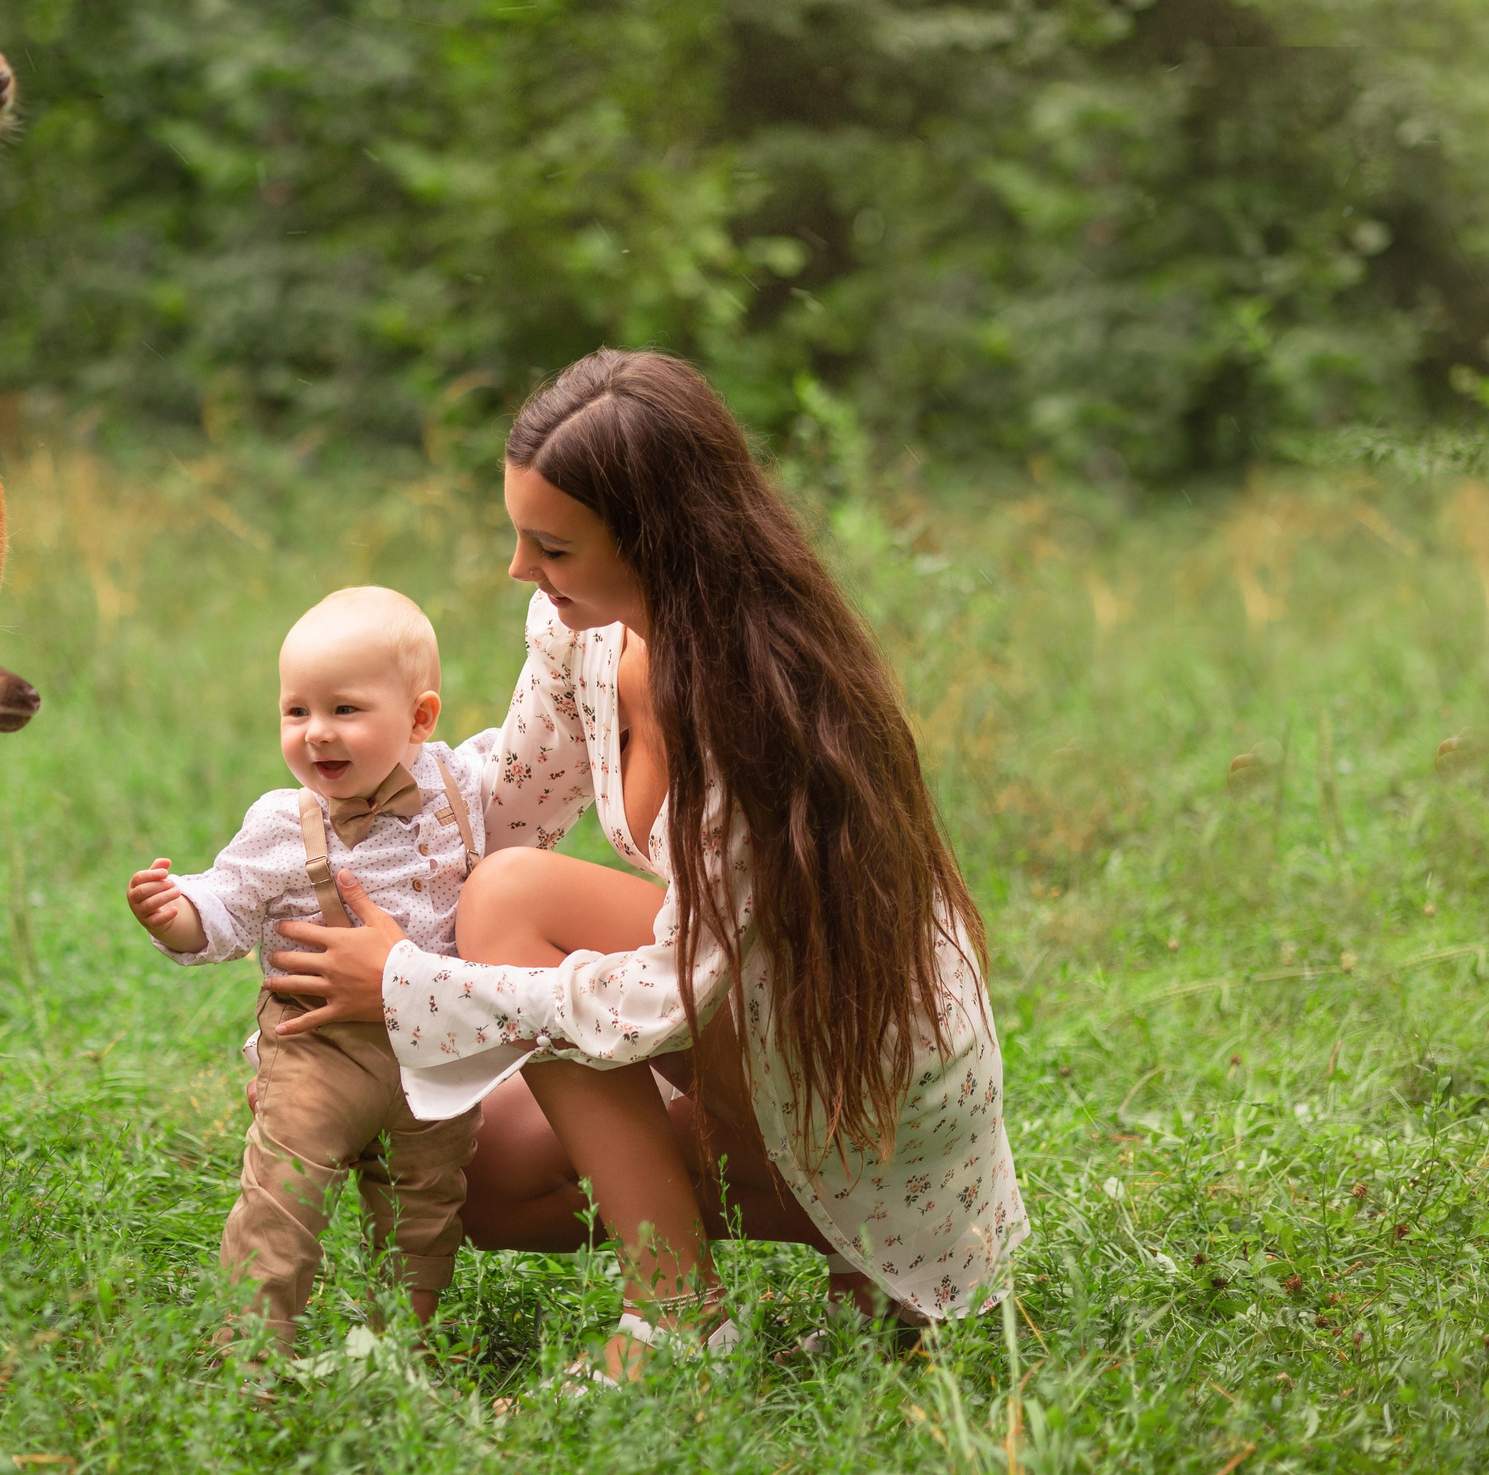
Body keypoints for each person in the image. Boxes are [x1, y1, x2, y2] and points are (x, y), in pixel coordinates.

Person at [266, 350, 1028, 1381]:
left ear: (658, 540)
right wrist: (327, 843)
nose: (520, 569)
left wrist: (407, 986)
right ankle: (837, 1257)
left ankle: (680, 1318)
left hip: (859, 1071)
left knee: (508, 902)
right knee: (478, 1169)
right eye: (520, 535)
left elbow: (667, 993)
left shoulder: (753, 706)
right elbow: (501, 806)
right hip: (754, 1016)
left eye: (552, 546)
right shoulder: (588, 636)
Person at [124, 587, 494, 1350]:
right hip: (319, 1046)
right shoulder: (281, 823)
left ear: (420, 719)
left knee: (426, 1202)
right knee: (284, 1191)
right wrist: (177, 911)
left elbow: (547, 750)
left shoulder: (463, 784)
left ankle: (403, 1343)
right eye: (296, 711)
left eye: (345, 709)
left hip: (433, 1044)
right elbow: (227, 903)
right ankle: (252, 1350)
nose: (316, 732)